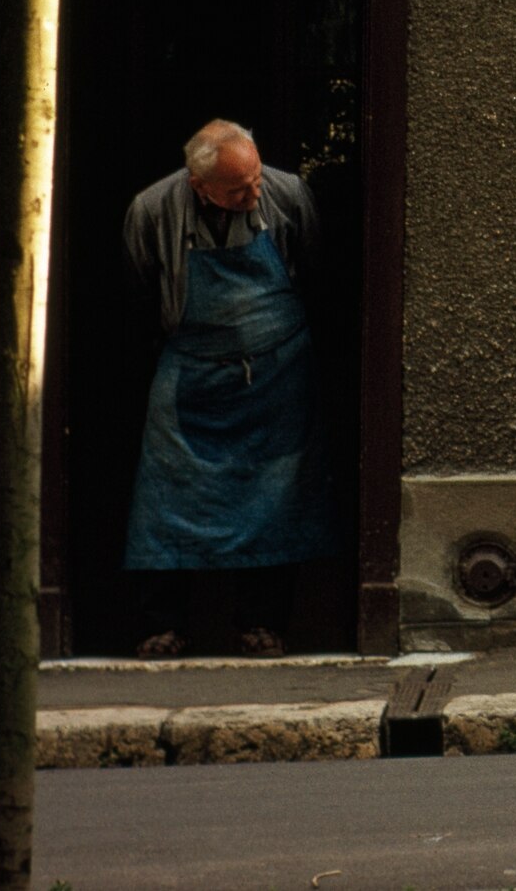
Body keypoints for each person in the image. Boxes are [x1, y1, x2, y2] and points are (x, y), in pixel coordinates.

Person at [120, 119, 342, 657]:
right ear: (199, 186)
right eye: (239, 189)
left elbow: (315, 272)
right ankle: (161, 625)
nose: (254, 193)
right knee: (166, 497)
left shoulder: (288, 195)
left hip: (280, 372)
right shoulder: (152, 210)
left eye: (256, 179)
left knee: (274, 498)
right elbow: (138, 293)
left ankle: (261, 623)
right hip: (191, 369)